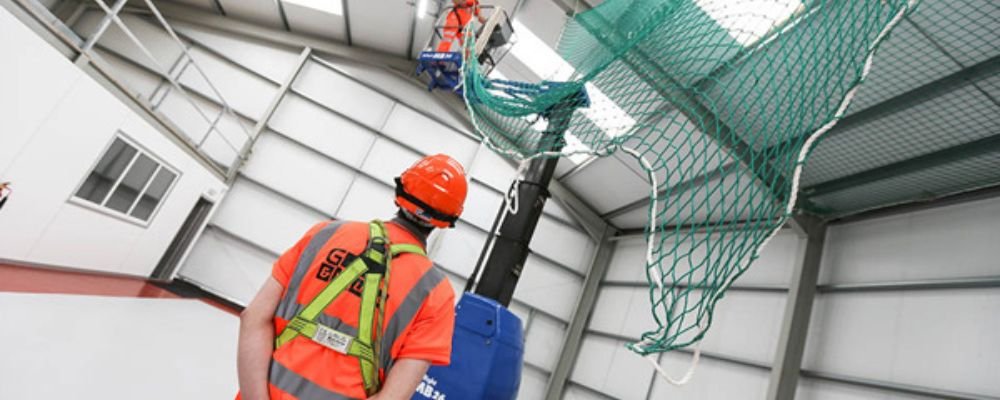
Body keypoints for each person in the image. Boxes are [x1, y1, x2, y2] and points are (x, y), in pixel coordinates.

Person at [236, 154, 468, 400]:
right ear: (447, 221)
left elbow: (253, 317)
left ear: (400, 192)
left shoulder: (324, 235)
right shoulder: (436, 292)